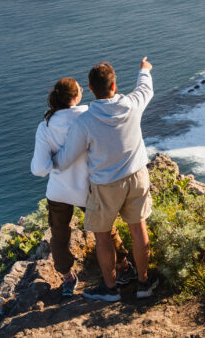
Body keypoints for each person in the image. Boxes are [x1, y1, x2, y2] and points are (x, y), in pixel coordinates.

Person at [53, 57, 157, 301]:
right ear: (114, 85)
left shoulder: (85, 121)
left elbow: (66, 158)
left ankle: (110, 289)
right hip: (137, 176)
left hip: (106, 184)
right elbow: (146, 88)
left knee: (102, 235)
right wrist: (144, 69)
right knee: (138, 229)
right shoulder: (132, 105)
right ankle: (144, 283)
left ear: (90, 89)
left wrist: (49, 161)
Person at [30, 77, 136, 297]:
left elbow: (39, 168)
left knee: (58, 238)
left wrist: (56, 163)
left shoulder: (46, 126)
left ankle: (68, 278)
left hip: (58, 192)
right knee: (106, 231)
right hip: (89, 189)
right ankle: (123, 267)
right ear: (77, 96)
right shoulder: (88, 116)